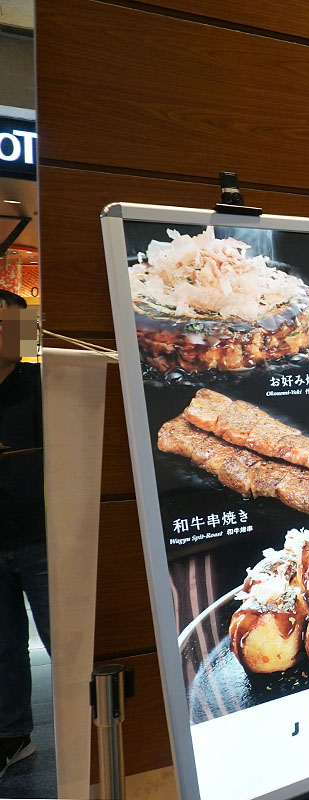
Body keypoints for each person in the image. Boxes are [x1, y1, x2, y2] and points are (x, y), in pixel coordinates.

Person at [0, 289, 47, 779]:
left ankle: (92, 728)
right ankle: (13, 736)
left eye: (21, 325)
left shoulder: (41, 384)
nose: (15, 334)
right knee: (3, 645)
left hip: (43, 536)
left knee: (65, 638)